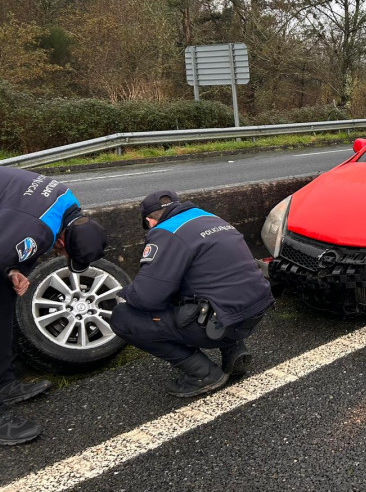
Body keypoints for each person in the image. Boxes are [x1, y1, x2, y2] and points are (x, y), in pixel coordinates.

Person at [111, 191, 274, 398]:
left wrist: (125, 293)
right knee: (207, 284)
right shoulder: (210, 218)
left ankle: (203, 373)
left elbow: (147, 297)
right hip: (254, 313)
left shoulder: (165, 232)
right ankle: (234, 351)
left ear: (149, 221)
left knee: (122, 317)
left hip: (220, 325)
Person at [0, 167, 107, 446]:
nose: (58, 253)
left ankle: (3, 382)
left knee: (4, 293)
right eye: (62, 253)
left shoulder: (67, 202)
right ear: (61, 241)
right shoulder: (39, 229)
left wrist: (10, 270)